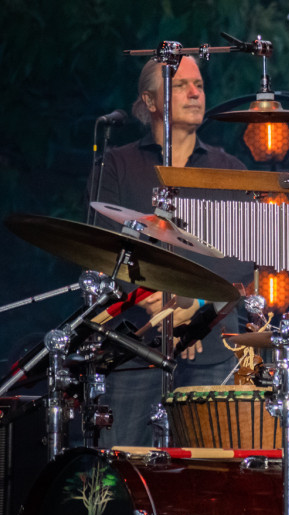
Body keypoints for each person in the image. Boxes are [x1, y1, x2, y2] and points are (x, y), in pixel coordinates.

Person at [92, 55, 250, 447]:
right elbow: (103, 247)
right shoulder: (117, 164)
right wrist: (157, 302)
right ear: (149, 100)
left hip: (212, 346)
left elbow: (243, 262)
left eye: (199, 85)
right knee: (123, 463)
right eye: (180, 85)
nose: (196, 93)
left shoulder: (229, 169)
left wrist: (192, 307)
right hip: (134, 345)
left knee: (210, 467)